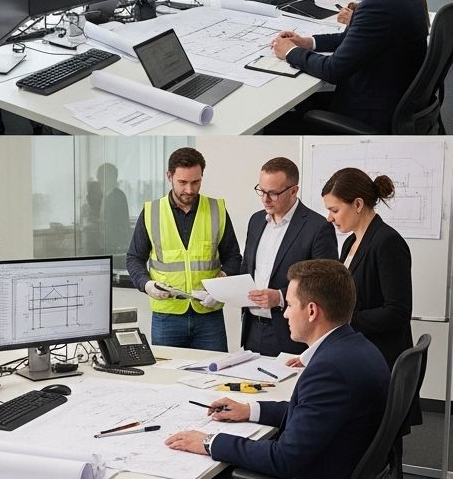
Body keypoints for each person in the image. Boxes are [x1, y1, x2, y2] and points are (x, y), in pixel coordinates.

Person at [165, 259, 390, 479]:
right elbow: (310, 412)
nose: (285, 314)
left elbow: (284, 458)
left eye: (290, 305)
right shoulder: (357, 347)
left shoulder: (330, 369)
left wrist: (209, 442)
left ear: (312, 311)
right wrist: (250, 410)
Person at [271, 0, 429, 132]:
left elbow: (333, 70)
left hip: (369, 114)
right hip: (389, 99)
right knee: (299, 105)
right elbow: (351, 38)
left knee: (274, 124)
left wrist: (290, 52)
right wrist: (308, 42)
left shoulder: (378, 4)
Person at [321, 167, 417, 426]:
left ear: (358, 204)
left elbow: (397, 312)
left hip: (379, 357)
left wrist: (345, 321)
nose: (329, 218)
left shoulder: (387, 242)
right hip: (358, 351)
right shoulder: (349, 243)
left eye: (334, 210)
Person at [126, 147, 241, 351]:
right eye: (182, 182)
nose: (189, 190)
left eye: (196, 182)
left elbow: (233, 257)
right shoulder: (152, 212)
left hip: (209, 315)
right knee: (167, 370)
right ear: (169, 176)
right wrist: (147, 284)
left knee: (215, 369)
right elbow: (134, 258)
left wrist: (221, 283)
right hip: (167, 316)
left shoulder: (217, 210)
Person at [241, 157, 337, 357]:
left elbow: (326, 284)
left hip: (292, 334)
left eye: (273, 193)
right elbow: (247, 267)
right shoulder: (256, 221)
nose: (265, 199)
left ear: (294, 191)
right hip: (252, 330)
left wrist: (280, 297)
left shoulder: (317, 227)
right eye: (261, 191)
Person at [97, 161, 130, 254]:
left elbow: (118, 224)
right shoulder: (106, 196)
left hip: (115, 246)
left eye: (102, 177)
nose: (100, 182)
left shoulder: (117, 196)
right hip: (108, 245)